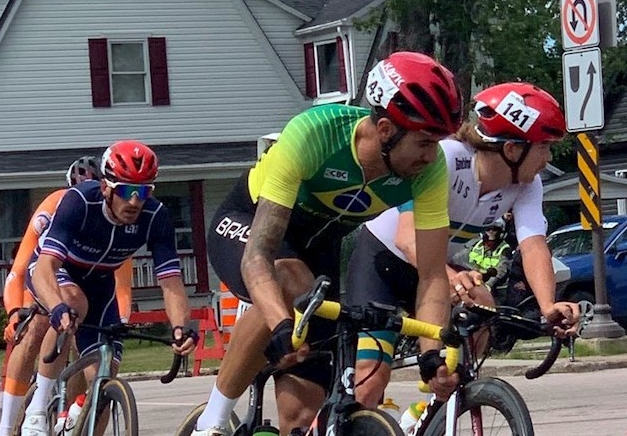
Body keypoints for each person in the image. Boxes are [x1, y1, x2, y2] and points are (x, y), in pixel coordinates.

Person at [193, 52, 464, 436]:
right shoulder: (316, 134)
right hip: (249, 225)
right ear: (386, 129)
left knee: (302, 415)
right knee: (290, 280)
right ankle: (213, 422)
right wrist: (280, 324)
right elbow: (259, 257)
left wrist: (431, 353)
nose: (432, 155)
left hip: (318, 254)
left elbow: (433, 275)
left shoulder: (428, 169)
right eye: (424, 142)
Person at [344, 81, 581, 408]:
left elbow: (533, 245)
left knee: (481, 309)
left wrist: (547, 306)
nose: (549, 157)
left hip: (434, 269)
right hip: (385, 261)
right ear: (512, 149)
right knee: (369, 384)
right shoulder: (448, 159)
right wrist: (451, 276)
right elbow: (406, 237)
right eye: (544, 147)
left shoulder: (526, 184)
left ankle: (433, 412)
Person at [20, 141, 198, 436]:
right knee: (74, 302)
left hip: (100, 283)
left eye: (144, 192)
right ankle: (37, 410)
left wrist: (180, 327)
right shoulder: (79, 202)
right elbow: (45, 267)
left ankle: (81, 415)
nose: (135, 202)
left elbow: (171, 283)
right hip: (56, 271)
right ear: (106, 187)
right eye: (127, 191)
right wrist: (57, 308)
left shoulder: (155, 217)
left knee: (105, 376)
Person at [0, 156, 134, 436]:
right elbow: (20, 271)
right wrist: (13, 313)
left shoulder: (115, 220)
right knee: (37, 327)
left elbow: (121, 289)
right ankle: (11, 423)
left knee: (100, 357)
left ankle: (76, 410)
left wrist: (120, 321)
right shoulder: (54, 207)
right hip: (46, 278)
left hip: (89, 288)